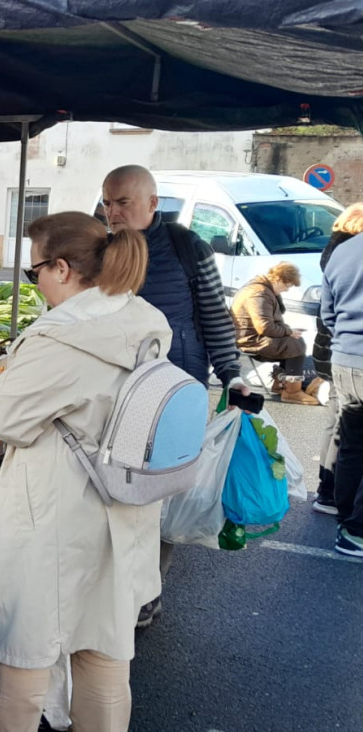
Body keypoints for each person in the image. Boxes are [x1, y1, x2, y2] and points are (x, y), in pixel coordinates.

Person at [0, 212, 163, 732]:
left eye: (36, 272)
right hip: (123, 502)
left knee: (25, 644)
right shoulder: (141, 318)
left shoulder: (63, 339)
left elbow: (2, 417)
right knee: (104, 647)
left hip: (54, 507)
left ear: (64, 269)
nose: (37, 282)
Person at [101, 164, 248, 628]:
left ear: (151, 203)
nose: (113, 211)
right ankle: (110, 584)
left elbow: (213, 316)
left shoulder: (186, 247)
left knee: (159, 493)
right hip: (112, 390)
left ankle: (148, 592)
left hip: (173, 392)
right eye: (107, 201)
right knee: (112, 490)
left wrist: (233, 375)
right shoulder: (96, 246)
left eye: (123, 202)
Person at [312, 203, 363, 515]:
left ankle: (342, 512)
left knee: (349, 439)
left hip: (343, 356)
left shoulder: (340, 252)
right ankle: (356, 526)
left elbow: (327, 313)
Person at [230, 263, 322, 406]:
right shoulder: (259, 294)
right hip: (250, 340)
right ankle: (292, 392)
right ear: (278, 279)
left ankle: (280, 384)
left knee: (292, 340)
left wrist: (289, 332)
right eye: (287, 286)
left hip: (249, 336)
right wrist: (289, 331)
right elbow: (264, 327)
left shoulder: (260, 289)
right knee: (296, 344)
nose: (286, 290)